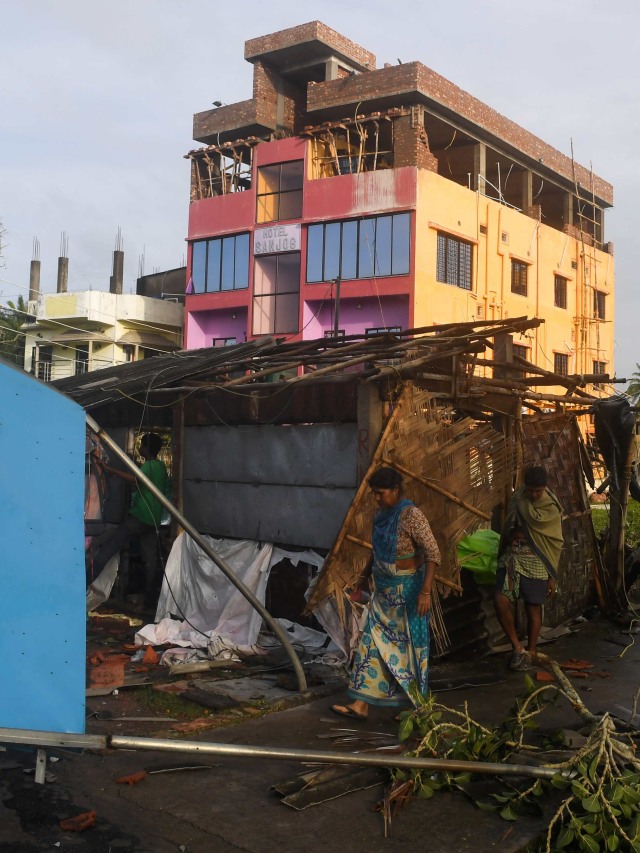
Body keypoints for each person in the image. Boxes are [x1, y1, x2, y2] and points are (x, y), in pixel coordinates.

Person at [331, 467, 441, 721]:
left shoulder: (412, 516)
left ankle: (419, 709)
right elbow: (376, 550)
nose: (377, 498)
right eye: (374, 494)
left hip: (409, 594)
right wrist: (362, 578)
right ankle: (361, 704)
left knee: (410, 649)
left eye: (381, 493)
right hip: (383, 593)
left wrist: (425, 592)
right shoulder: (380, 515)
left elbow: (433, 553)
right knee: (371, 643)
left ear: (395, 490)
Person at [493, 465, 564, 671]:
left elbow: (555, 543)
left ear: (545, 488)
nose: (534, 495)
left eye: (538, 491)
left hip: (538, 562)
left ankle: (531, 653)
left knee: (532, 608)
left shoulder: (551, 508)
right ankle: (518, 648)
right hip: (513, 557)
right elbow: (509, 526)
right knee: (500, 599)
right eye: (531, 490)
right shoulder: (518, 499)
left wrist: (552, 576)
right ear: (525, 486)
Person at [88, 433, 169, 609]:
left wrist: (109, 470)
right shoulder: (161, 467)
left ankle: (85, 582)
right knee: (150, 561)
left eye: (142, 446)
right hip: (153, 520)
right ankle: (151, 600)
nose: (140, 449)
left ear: (147, 448)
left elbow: (135, 479)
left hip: (140, 517)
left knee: (108, 549)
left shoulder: (150, 466)